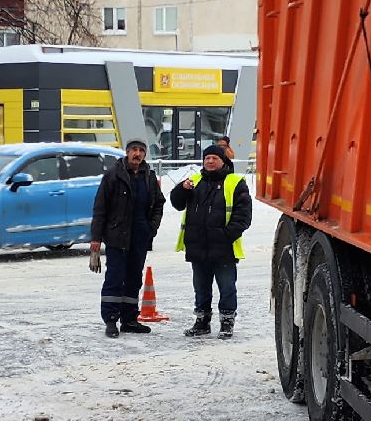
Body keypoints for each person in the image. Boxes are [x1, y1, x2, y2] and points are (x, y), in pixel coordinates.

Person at [169, 144, 251, 338]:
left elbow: (243, 216)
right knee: (201, 288)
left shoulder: (235, 182)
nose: (210, 161)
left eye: (215, 158)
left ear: (223, 161)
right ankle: (202, 322)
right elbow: (177, 203)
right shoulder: (194, 181)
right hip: (198, 246)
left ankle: (227, 322)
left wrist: (225, 235)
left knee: (227, 288)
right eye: (207, 158)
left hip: (224, 248)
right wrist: (181, 189)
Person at [88, 139, 165, 337]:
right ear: (127, 152)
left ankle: (129, 320)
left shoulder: (149, 177)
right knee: (115, 278)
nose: (137, 154)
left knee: (134, 279)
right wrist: (96, 237)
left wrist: (151, 228)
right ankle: (111, 320)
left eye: (141, 151)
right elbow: (100, 208)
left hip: (139, 237)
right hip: (117, 236)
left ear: (145, 154)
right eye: (134, 150)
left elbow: (159, 203)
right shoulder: (113, 175)